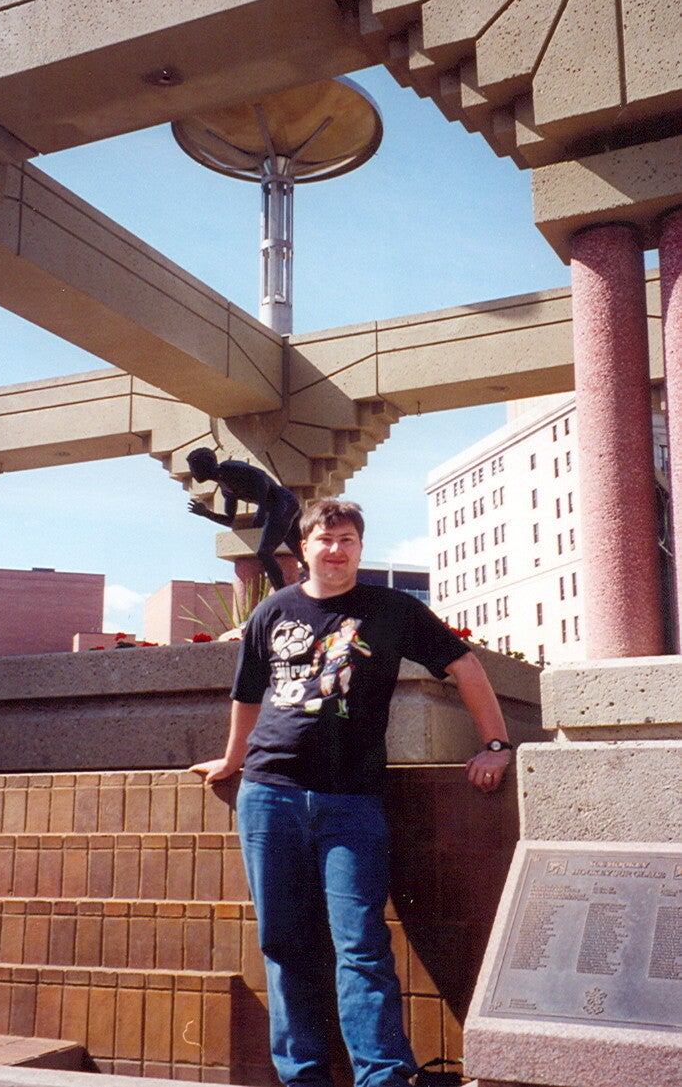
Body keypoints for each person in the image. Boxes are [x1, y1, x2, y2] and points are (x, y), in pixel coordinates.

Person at [190, 498, 512, 1087]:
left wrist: (495, 744)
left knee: (360, 944)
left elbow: (465, 666)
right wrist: (233, 760)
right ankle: (303, 1076)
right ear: (303, 547)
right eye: (325, 539)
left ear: (360, 549)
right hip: (268, 795)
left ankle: (382, 1075)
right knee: (283, 943)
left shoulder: (391, 610)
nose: (336, 550)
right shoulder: (272, 611)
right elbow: (248, 695)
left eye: (347, 540)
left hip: (351, 801)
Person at [186, 447, 306, 591]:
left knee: (264, 552)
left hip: (283, 502)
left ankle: (282, 594)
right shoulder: (226, 490)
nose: (192, 473)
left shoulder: (228, 467)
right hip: (281, 506)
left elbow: (261, 478)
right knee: (300, 552)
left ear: (203, 465)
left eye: (192, 468)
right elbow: (229, 519)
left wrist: (261, 509)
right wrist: (206, 513)